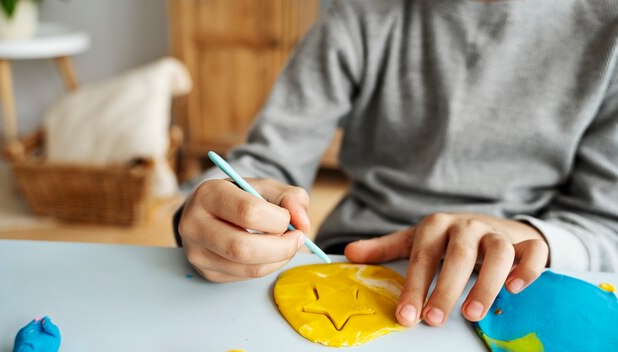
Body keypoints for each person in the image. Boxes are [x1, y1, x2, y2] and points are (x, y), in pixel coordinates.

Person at [175, 0, 618, 328]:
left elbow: (606, 227)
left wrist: (530, 237)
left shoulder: (607, 32)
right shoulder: (360, 13)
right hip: (351, 255)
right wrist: (209, 208)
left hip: (517, 285)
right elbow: (268, 161)